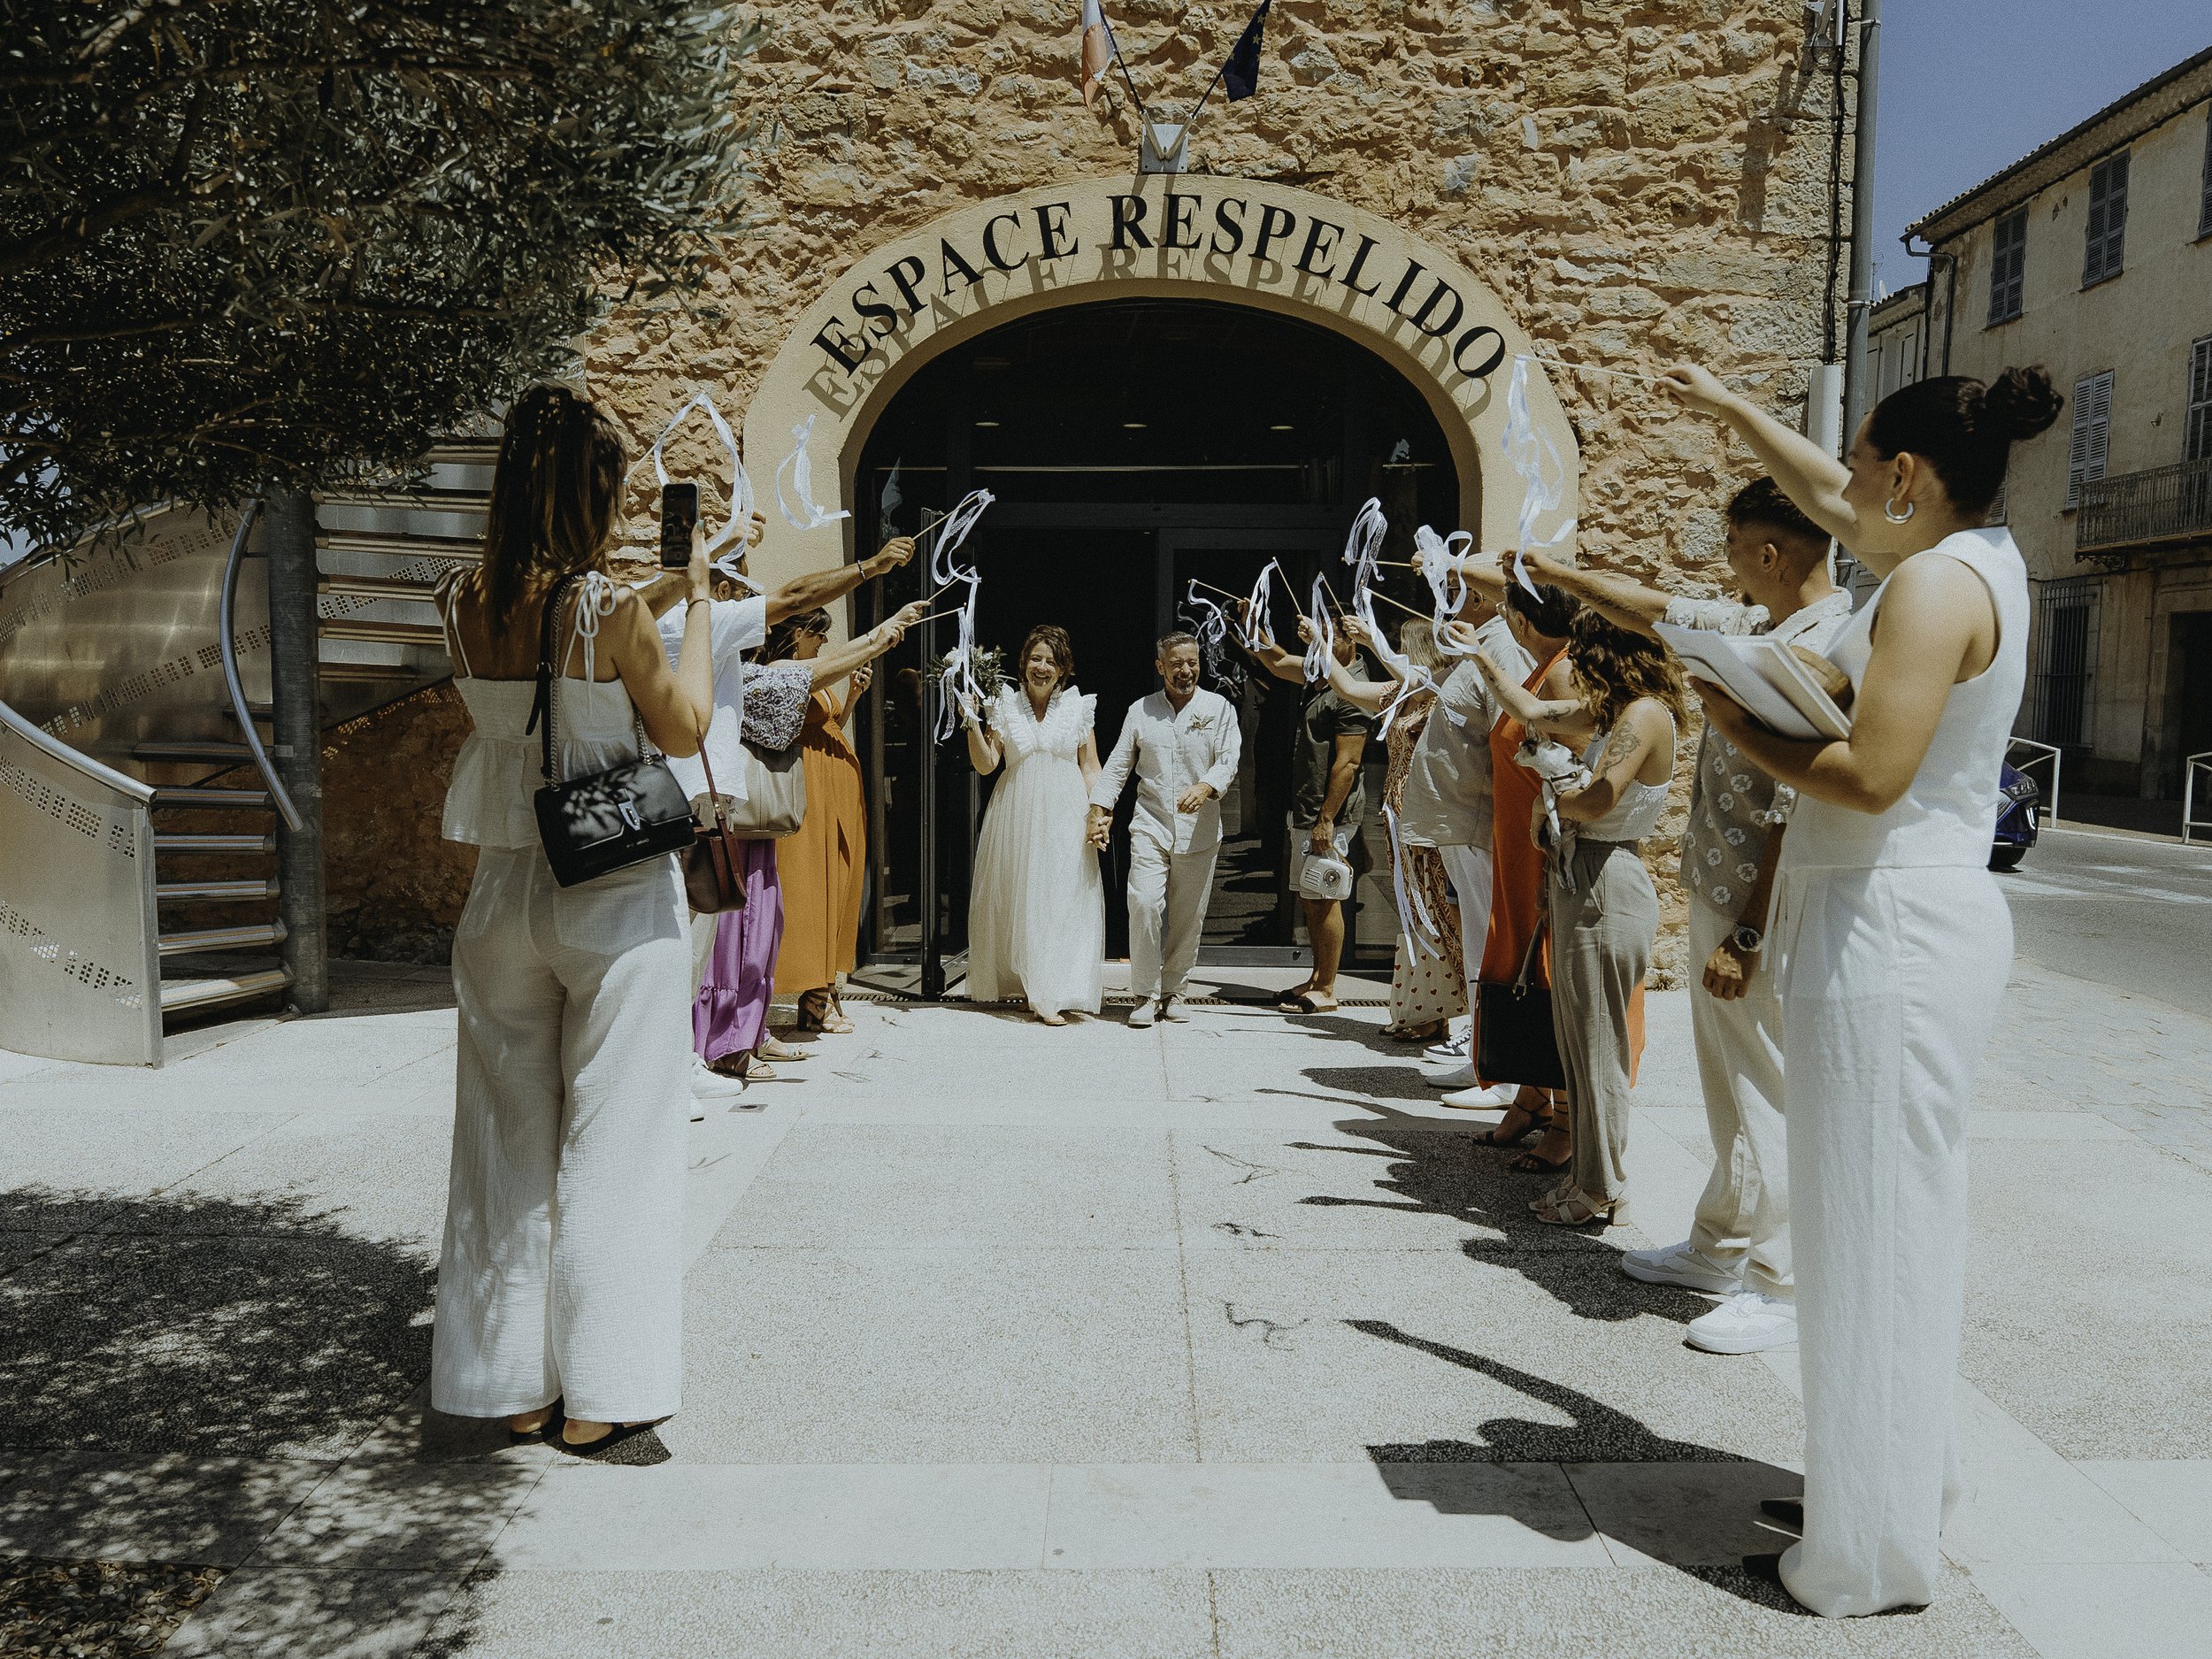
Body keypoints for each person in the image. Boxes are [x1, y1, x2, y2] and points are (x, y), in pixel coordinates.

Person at [1661, 359, 2061, 1617]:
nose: (1834, 484)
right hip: (1890, 920)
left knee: (1871, 1235)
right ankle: (1887, 1493)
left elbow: (1874, 771)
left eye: (1859, 459)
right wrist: (1730, 413)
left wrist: (1733, 716)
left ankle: (1862, 1557)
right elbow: (1827, 489)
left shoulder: (1934, 583)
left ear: (1905, 475)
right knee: (1879, 1229)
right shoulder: (1965, 553)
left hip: (1889, 925)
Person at [430, 385, 714, 1461]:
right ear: (595, 492)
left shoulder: (456, 599)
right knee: (616, 1139)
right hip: (612, 892)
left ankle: (510, 1383)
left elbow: (540, 641)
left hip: (501, 895)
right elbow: (682, 731)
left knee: (508, 1140)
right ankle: (603, 1391)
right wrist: (687, 609)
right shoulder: (617, 611)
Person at [1520, 480, 1851, 1356]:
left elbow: (1791, 804)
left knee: (1762, 1086)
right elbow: (1654, 606)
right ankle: (1717, 1247)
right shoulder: (1759, 628)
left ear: (1769, 554)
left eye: (1734, 545)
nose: (1725, 563)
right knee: (1730, 1082)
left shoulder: (1821, 644)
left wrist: (1747, 932)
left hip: (1761, 904)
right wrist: (1556, 570)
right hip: (1725, 891)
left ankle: (1776, 1282)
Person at [638, 531, 921, 1102]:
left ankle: (682, 1053)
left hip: (685, 794)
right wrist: (871, 566)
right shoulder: (694, 623)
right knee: (693, 938)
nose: (732, 595)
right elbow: (794, 598)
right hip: (694, 799)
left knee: (687, 935)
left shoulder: (659, 619)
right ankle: (680, 1058)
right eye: (724, 581)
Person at [1479, 606, 1683, 1227]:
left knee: (1598, 1047)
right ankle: (1593, 1177)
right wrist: (1476, 655)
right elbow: (1531, 709)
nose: (1576, 665)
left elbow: (1599, 798)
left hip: (1606, 876)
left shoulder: (1644, 715)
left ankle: (1599, 1186)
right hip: (1580, 875)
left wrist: (1552, 788)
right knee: (1575, 1042)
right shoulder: (1614, 711)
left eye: (1585, 652)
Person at [694, 601, 924, 1081]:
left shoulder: (750, 676)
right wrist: (882, 633)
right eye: (816, 633)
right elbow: (803, 688)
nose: (821, 641)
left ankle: (748, 1034)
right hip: (746, 811)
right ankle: (725, 1041)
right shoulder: (756, 676)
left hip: (767, 811)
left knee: (763, 923)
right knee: (743, 926)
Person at [1394, 571, 1537, 1107]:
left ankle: (1502, 1073)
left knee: (1489, 948)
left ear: (1479, 596)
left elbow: (1509, 740)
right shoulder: (1489, 642)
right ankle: (1483, 1057)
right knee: (1477, 945)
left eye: (1457, 589)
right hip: (1466, 824)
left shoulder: (1502, 646)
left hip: (1482, 824)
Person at [1318, 616, 1463, 1046]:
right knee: (1413, 910)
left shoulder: (1440, 694)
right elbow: (1345, 687)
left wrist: (1374, 641)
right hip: (1399, 813)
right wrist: (1322, 645)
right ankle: (1426, 1011)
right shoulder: (1400, 695)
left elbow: (1421, 680)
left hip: (1429, 813)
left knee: (1436, 906)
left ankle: (1453, 1010)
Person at [1086, 630, 1242, 1026]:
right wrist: (1099, 807)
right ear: (1160, 667)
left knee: (1189, 917)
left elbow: (1228, 759)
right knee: (1144, 903)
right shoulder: (1142, 710)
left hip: (1200, 829)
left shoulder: (1219, 708)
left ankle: (1175, 991)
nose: (1186, 670)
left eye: (1192, 663)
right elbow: (1119, 764)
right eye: (1176, 664)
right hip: (1151, 824)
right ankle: (1144, 994)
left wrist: (1207, 786)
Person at [963, 624, 1107, 1024]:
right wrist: (971, 722)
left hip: (1065, 812)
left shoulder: (1078, 706)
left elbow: (1090, 766)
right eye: (1035, 658)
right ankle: (1036, 989)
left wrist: (1099, 814)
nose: (1041, 667)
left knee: (1062, 898)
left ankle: (1050, 989)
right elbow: (987, 763)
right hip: (1017, 814)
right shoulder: (1004, 705)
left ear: (1063, 669)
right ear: (1023, 662)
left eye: (1051, 661)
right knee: (1022, 898)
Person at [1245, 614, 1375, 1015]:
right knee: (1311, 895)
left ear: (1351, 641)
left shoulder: (1354, 689)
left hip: (1326, 814)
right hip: (1306, 809)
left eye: (1330, 638)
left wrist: (1326, 820)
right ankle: (1317, 978)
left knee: (1325, 897)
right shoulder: (1322, 672)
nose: (1322, 644)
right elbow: (1279, 661)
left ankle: (1329, 988)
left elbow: (1348, 763)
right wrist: (1254, 626)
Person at [768, 609, 877, 1035]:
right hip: (810, 788)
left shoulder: (810, 671)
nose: (825, 644)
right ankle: (813, 995)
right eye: (820, 634)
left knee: (840, 884)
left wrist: (850, 698)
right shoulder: (781, 672)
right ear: (798, 633)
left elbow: (829, 725)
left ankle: (823, 990)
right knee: (811, 891)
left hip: (837, 789)